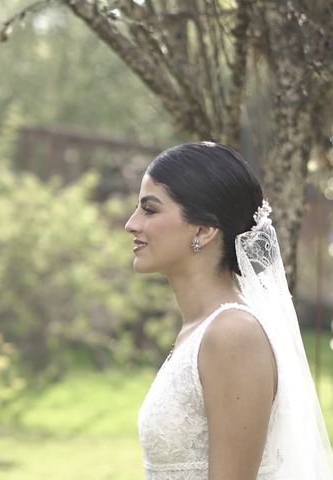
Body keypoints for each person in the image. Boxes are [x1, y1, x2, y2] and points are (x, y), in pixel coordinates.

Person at [125, 142, 333, 479]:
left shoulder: (232, 334)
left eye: (149, 210)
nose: (131, 224)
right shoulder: (198, 329)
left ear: (204, 230)